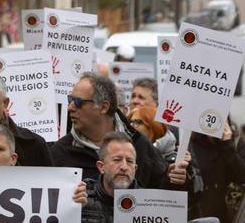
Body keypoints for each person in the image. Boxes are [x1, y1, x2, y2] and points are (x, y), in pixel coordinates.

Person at [51, 73, 183, 189]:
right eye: (70, 100)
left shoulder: (139, 146)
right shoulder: (60, 152)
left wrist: (179, 179)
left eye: (78, 102)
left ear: (103, 107)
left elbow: (163, 198)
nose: (70, 108)